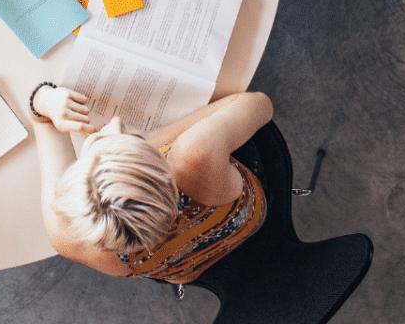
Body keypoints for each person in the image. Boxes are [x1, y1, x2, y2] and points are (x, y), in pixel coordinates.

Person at [29, 83, 273, 290]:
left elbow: (41, 118)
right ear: (164, 164)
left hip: (183, 270)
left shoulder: (65, 235)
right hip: (245, 217)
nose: (114, 122)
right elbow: (260, 104)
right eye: (131, 137)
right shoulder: (196, 153)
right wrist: (163, 139)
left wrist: (45, 98)